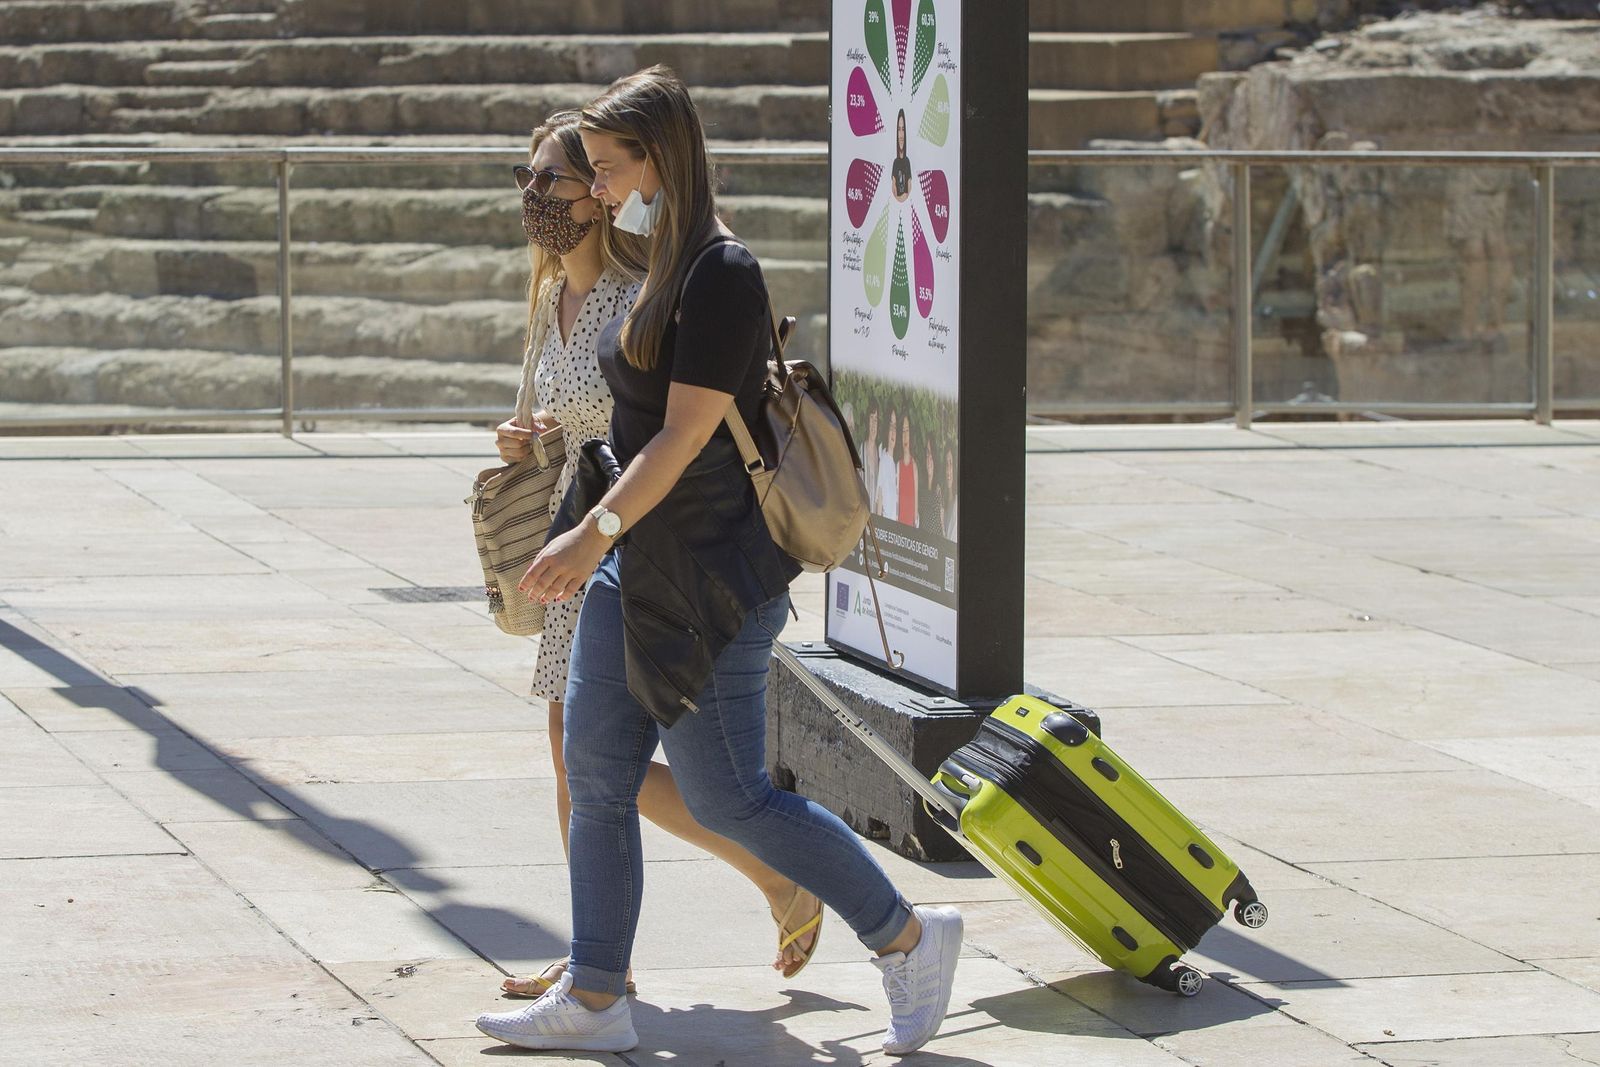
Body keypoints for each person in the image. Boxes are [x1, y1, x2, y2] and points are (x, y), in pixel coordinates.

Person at [475, 65, 962, 1057]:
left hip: (708, 576)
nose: (601, 186)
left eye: (611, 167)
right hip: (631, 565)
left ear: (661, 158)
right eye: (595, 170)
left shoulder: (720, 272)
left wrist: (589, 531)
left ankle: (909, 935)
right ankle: (598, 991)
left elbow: (685, 435)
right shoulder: (659, 266)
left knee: (726, 794)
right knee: (598, 774)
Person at [490, 109, 824, 1001]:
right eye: (532, 181)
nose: (539, 198)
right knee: (583, 759)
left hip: (628, 542)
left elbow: (659, 429)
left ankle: (771, 880)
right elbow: (580, 421)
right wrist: (529, 439)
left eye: (556, 181)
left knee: (629, 767)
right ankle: (601, 957)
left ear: (604, 192)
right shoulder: (551, 293)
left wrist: (593, 508)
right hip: (581, 537)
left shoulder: (639, 295)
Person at [876, 405, 899, 519]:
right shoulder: (882, 458)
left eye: (895, 427)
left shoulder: (896, 465)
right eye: (890, 426)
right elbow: (879, 495)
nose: (893, 432)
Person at [897, 413, 918, 528]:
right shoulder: (897, 464)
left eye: (907, 431)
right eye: (903, 431)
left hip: (909, 530)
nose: (905, 436)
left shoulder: (914, 466)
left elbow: (915, 509)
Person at [859, 397, 881, 511]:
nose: (873, 423)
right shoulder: (861, 450)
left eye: (876, 419)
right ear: (867, 421)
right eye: (871, 418)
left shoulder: (880, 454)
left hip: (876, 521)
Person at [891, 109, 911, 202]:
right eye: (899, 129)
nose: (901, 134)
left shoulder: (907, 162)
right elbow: (894, 189)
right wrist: (901, 196)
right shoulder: (895, 163)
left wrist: (903, 196)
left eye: (903, 129)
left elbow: (909, 188)